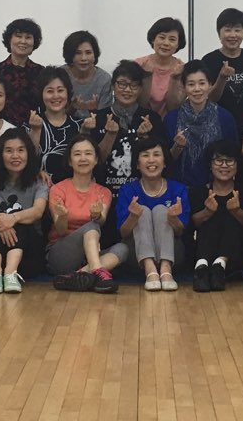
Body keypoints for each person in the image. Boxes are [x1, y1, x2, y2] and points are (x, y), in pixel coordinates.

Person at [83, 59, 165, 246]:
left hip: (141, 195)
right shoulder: (99, 117)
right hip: (105, 196)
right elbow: (93, 162)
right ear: (113, 86)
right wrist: (110, 135)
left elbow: (160, 161)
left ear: (140, 89)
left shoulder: (151, 118)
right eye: (122, 84)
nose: (127, 90)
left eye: (134, 85)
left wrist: (145, 138)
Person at [47, 135, 129, 293]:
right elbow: (61, 230)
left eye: (88, 153)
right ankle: (97, 271)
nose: (83, 158)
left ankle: (78, 276)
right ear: (70, 161)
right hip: (60, 254)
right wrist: (63, 216)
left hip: (89, 256)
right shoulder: (58, 189)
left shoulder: (103, 192)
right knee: (91, 226)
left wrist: (97, 215)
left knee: (123, 248)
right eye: (77, 154)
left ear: (96, 159)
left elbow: (101, 222)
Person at [0, 128, 49, 294]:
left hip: (28, 254)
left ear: (28, 154)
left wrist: (13, 218)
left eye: (20, 150)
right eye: (9, 151)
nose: (15, 156)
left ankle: (10, 273)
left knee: (22, 223)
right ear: (0, 155)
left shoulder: (39, 181)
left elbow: (37, 211)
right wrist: (2, 222)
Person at [116, 135, 190, 291]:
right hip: (137, 256)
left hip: (172, 253)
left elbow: (180, 231)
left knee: (161, 210)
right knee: (142, 211)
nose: (151, 160)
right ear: (137, 164)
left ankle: (166, 271)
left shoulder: (178, 189)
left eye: (156, 155)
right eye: (145, 155)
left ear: (164, 162)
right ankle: (150, 270)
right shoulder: (127, 190)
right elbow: (123, 233)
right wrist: (133, 217)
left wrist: (173, 218)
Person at [189, 140, 243, 292]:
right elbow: (193, 223)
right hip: (204, 250)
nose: (224, 165)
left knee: (230, 218)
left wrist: (237, 211)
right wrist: (207, 212)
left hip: (236, 254)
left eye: (230, 161)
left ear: (237, 165)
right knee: (210, 219)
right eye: (218, 160)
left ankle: (219, 265)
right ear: (210, 165)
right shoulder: (199, 191)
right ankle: (202, 267)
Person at [163, 60, 239, 188]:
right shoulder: (171, 119)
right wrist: (177, 147)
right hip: (179, 189)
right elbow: (164, 161)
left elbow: (233, 156)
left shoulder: (225, 117)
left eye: (202, 83)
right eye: (191, 84)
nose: (197, 89)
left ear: (210, 85)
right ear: (183, 87)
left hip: (216, 188)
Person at [201, 8, 243, 124]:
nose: (233, 35)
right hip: (217, 124)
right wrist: (222, 78)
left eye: (237, 30)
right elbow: (208, 99)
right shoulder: (209, 61)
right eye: (227, 30)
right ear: (219, 32)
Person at [26, 66, 82, 183]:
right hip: (39, 190)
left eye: (60, 90)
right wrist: (35, 131)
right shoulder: (30, 125)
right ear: (41, 94)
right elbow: (26, 162)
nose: (56, 96)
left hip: (72, 191)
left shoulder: (80, 125)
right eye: (50, 91)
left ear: (68, 93)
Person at [0, 18, 45, 126]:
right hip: (0, 128)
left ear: (34, 42)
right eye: (18, 36)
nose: (23, 41)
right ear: (9, 40)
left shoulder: (41, 72)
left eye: (28, 37)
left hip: (33, 128)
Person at [135, 16, 186, 117]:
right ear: (153, 39)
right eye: (162, 37)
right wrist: (147, 76)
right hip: (141, 120)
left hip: (170, 122)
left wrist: (175, 78)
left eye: (172, 39)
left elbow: (173, 108)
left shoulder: (182, 69)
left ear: (178, 44)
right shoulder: (139, 64)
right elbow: (138, 104)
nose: (166, 43)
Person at [62, 30, 113, 121]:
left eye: (88, 52)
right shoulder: (60, 75)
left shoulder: (104, 79)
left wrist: (93, 110)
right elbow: (54, 115)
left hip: (96, 125)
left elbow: (104, 118)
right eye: (78, 53)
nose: (83, 58)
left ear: (95, 54)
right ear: (70, 55)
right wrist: (73, 108)